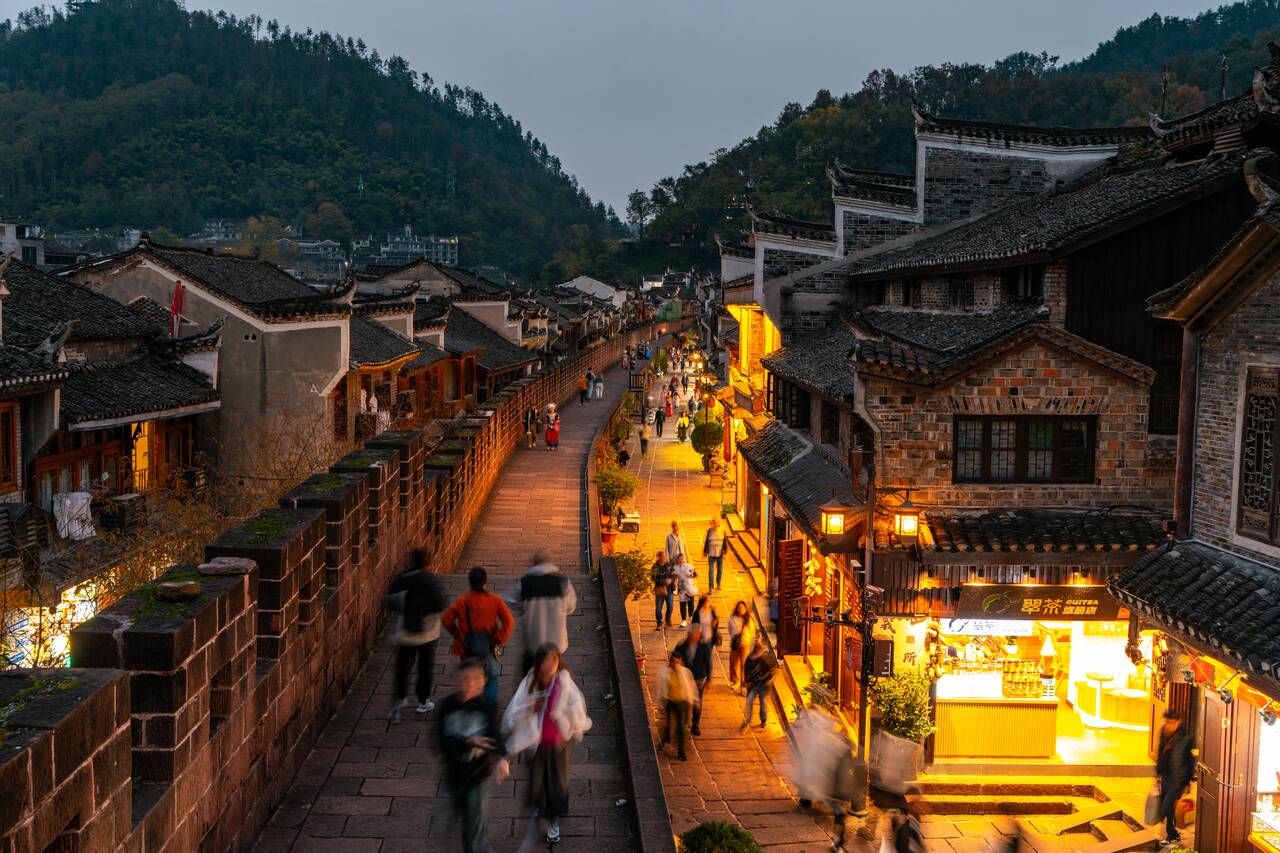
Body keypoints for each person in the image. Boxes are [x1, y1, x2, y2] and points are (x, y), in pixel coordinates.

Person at [503, 643, 592, 848]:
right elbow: (515, 710)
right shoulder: (531, 682)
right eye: (547, 660)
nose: (551, 665)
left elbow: (577, 707)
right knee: (537, 782)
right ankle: (539, 809)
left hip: (558, 744)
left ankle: (553, 821)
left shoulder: (563, 681)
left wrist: (561, 715)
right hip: (536, 743)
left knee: (556, 784)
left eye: (554, 660)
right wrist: (532, 707)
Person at [437, 659, 510, 853]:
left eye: (476, 679)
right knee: (465, 816)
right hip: (455, 773)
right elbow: (441, 742)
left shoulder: (486, 707)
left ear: (484, 681)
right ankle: (480, 843)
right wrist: (468, 742)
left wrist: (502, 757)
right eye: (465, 678)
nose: (470, 683)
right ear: (456, 680)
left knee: (473, 823)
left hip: (478, 775)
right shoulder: (447, 706)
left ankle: (477, 846)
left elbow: (496, 736)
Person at [385, 548, 446, 722]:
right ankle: (423, 700)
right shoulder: (430, 579)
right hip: (427, 632)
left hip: (405, 631)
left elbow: (391, 601)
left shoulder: (402, 578)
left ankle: (400, 698)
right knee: (425, 666)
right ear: (428, 562)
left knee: (403, 666)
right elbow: (440, 604)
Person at [442, 566, 515, 708]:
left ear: (470, 583)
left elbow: (446, 620)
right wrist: (500, 638)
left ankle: (469, 703)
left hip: (467, 648)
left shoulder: (462, 601)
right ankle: (489, 708)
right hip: (487, 648)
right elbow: (509, 621)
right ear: (485, 582)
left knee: (468, 678)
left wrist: (457, 634)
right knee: (492, 676)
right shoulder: (494, 600)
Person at [509, 548, 577, 674]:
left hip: (533, 644)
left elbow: (514, 604)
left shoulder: (524, 583)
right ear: (551, 562)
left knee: (529, 683)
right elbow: (571, 606)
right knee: (557, 682)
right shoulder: (563, 582)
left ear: (534, 563)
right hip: (556, 644)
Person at [1155, 709, 1194, 846]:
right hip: (1166, 775)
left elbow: (1190, 761)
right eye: (1167, 722)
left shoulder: (1186, 737)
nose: (1168, 725)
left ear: (1178, 722)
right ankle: (1172, 834)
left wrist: (1187, 782)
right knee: (1169, 808)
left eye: (1171, 723)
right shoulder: (1163, 733)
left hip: (1178, 779)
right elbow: (1160, 753)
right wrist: (1157, 774)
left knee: (1166, 807)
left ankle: (1172, 833)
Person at [657, 649, 697, 761]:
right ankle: (665, 739)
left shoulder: (686, 672)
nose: (676, 664)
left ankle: (681, 751)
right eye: (674, 662)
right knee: (670, 725)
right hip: (670, 702)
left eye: (677, 662)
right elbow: (661, 689)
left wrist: (693, 702)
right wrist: (660, 704)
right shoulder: (664, 672)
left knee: (681, 727)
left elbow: (691, 688)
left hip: (682, 702)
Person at [674, 624, 711, 737]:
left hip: (699, 678)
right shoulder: (681, 646)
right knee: (684, 701)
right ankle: (683, 724)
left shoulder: (704, 646)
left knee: (697, 703)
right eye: (695, 633)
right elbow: (674, 658)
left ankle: (695, 724)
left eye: (698, 633)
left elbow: (708, 662)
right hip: (685, 678)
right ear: (690, 634)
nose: (697, 635)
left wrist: (709, 678)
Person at [741, 637, 775, 730]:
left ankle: (763, 720)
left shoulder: (763, 659)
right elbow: (746, 671)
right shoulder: (750, 659)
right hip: (753, 684)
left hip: (763, 685)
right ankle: (747, 719)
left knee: (762, 701)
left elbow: (771, 671)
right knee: (749, 701)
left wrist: (769, 680)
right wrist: (747, 682)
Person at [727, 600, 754, 690]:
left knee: (744, 664)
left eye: (742, 607)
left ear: (746, 609)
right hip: (735, 643)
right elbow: (730, 629)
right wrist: (735, 638)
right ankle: (735, 681)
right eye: (739, 607)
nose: (740, 609)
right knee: (734, 662)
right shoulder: (732, 618)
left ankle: (744, 683)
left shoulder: (749, 620)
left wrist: (746, 639)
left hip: (745, 644)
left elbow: (752, 632)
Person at [651, 550, 674, 628]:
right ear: (659, 557)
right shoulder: (655, 567)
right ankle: (659, 623)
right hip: (660, 589)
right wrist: (664, 581)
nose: (665, 557)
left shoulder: (669, 565)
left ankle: (668, 619)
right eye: (663, 556)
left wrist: (671, 580)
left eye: (665, 556)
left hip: (669, 589)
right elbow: (653, 579)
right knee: (658, 608)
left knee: (670, 606)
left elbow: (674, 575)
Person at [673, 554, 697, 627]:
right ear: (677, 559)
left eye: (681, 559)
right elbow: (676, 578)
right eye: (678, 559)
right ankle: (683, 620)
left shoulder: (688, 566)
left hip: (689, 587)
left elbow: (694, 574)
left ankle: (691, 617)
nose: (680, 560)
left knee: (691, 603)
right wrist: (675, 586)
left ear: (683, 559)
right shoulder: (675, 568)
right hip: (681, 588)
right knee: (682, 604)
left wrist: (691, 575)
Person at [703, 517, 725, 591]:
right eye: (713, 523)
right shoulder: (710, 531)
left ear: (718, 523)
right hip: (711, 553)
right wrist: (705, 551)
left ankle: (718, 583)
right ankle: (711, 587)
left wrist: (725, 552)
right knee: (711, 571)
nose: (714, 524)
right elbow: (707, 541)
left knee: (720, 570)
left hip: (719, 553)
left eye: (716, 523)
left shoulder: (722, 531)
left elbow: (725, 542)